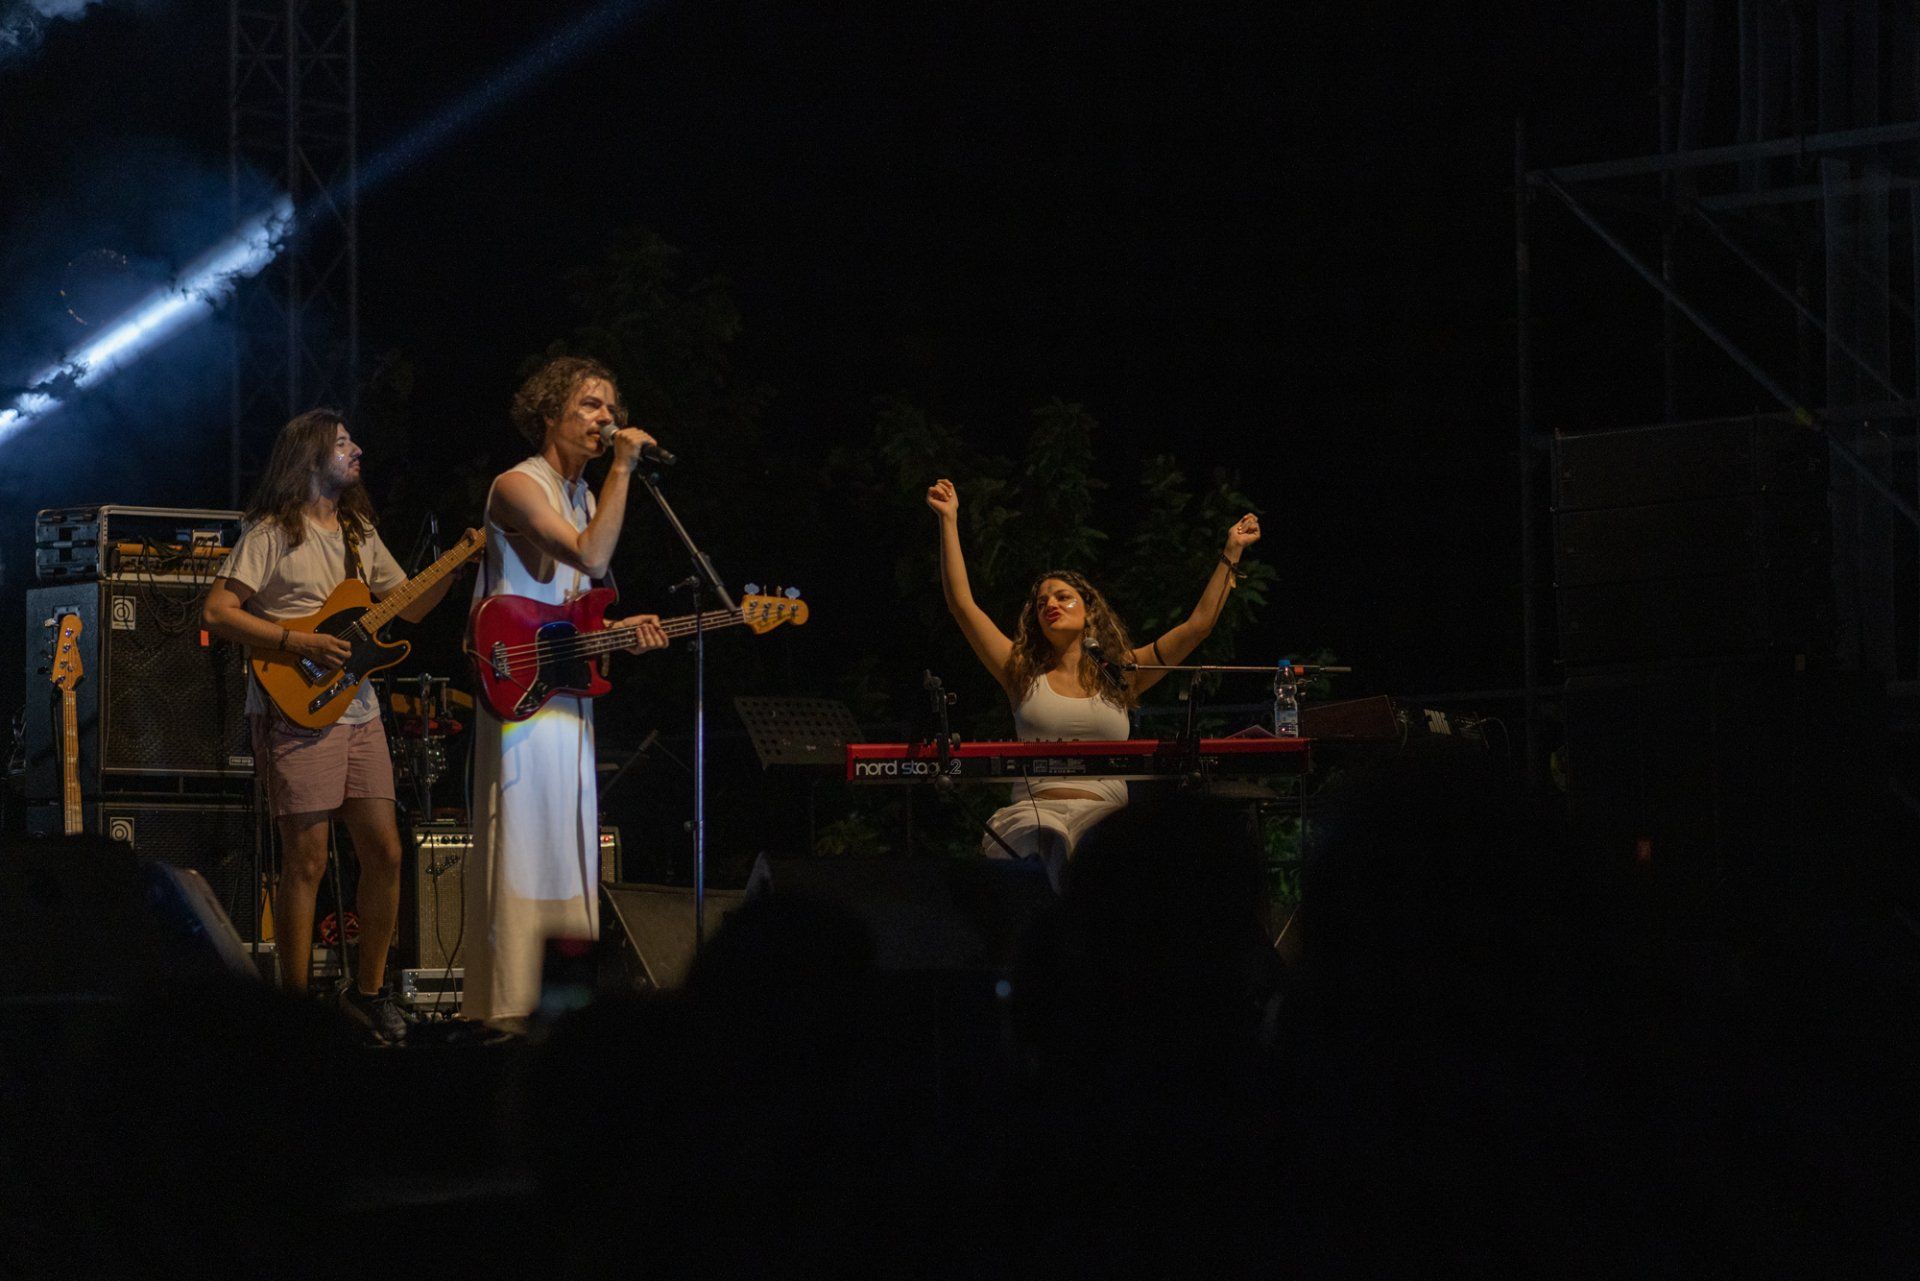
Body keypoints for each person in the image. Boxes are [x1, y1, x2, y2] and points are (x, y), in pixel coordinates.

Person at [204, 408, 465, 1041]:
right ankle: (293, 1013)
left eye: (352, 441)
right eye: (342, 443)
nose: (356, 450)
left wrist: (458, 564)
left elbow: (409, 606)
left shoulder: (358, 531)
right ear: (310, 456)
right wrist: (298, 641)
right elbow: (217, 612)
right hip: (294, 706)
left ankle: (367, 994)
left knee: (387, 851)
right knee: (307, 861)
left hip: (359, 708)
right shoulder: (272, 532)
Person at [925, 476, 1261, 890]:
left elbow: (1197, 627)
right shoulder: (1021, 671)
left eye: (1063, 596)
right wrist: (948, 520)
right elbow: (962, 605)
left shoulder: (1119, 674)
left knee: (1115, 857)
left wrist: (1232, 550)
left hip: (1104, 818)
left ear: (1089, 611)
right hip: (1035, 814)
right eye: (1042, 602)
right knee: (1048, 842)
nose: (1050, 604)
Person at [465, 355, 669, 1026]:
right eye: (589, 404)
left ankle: (565, 1007)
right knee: (523, 844)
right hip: (517, 692)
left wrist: (615, 631)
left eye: (611, 407)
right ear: (549, 413)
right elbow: (591, 555)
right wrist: (623, 468)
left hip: (564, 695)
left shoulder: (584, 496)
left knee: (569, 846)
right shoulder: (516, 485)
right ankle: (506, 1009)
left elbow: (566, 612)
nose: (606, 418)